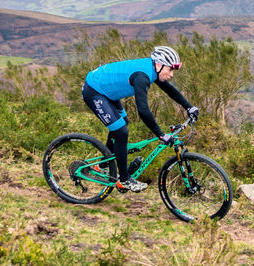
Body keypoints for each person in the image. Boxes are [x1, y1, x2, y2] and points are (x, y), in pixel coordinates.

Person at [81, 45, 199, 192]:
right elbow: (143, 110)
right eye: (170, 69)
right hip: (94, 90)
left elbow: (169, 90)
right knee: (121, 132)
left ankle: (103, 167)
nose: (171, 74)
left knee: (123, 123)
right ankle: (124, 180)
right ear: (159, 64)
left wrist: (189, 107)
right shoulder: (141, 77)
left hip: (108, 92)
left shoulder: (153, 70)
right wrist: (161, 134)